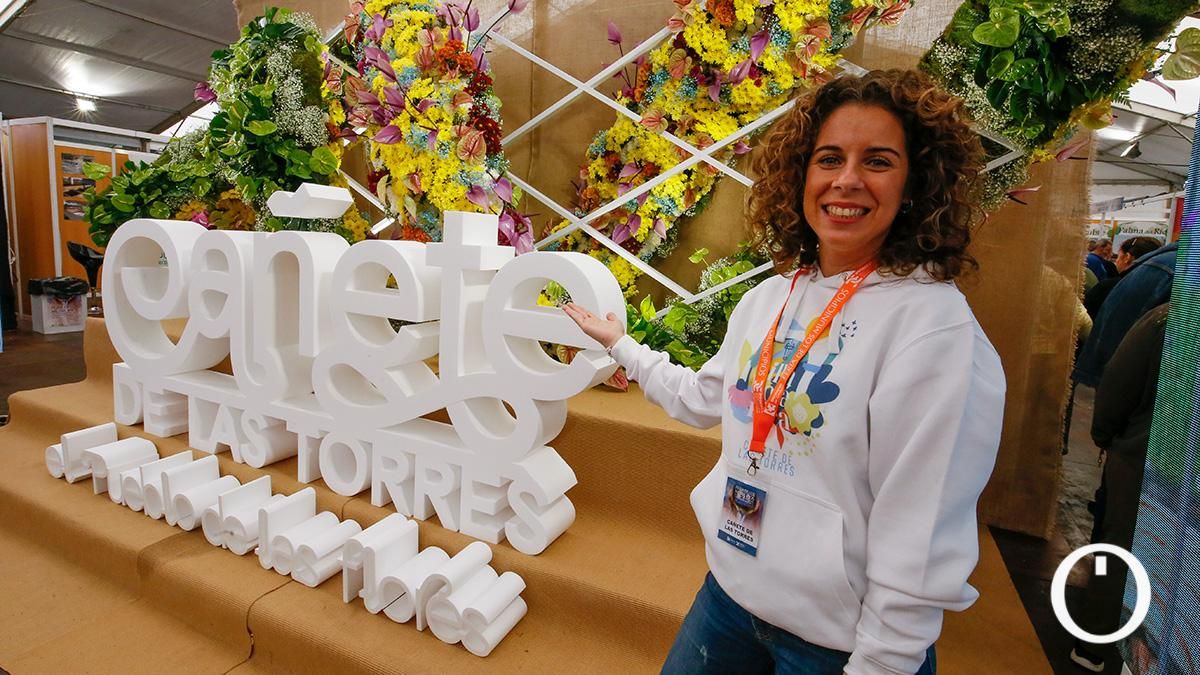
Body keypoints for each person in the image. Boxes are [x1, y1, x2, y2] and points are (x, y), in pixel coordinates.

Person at [564, 70, 1006, 675]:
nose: (846, 179)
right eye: (829, 158)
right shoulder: (768, 299)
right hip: (729, 599)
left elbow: (921, 528)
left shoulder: (932, 326)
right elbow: (701, 400)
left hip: (836, 644)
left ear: (915, 184)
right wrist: (622, 345)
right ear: (800, 174)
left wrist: (882, 663)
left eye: (877, 161)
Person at [1069, 303, 1170, 673]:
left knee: (1117, 551)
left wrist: (1106, 436)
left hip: (1143, 459)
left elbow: (1118, 384)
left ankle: (1093, 645)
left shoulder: (1166, 318)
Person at [1074, 241, 1177, 387]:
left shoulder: (1147, 276)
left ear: (1127, 257)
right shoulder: (1170, 272)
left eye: (1117, 254)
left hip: (1120, 375)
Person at [1083, 236, 1162, 319]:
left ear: (1127, 257)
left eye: (1118, 255)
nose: (1116, 261)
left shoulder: (1109, 287)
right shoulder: (1160, 289)